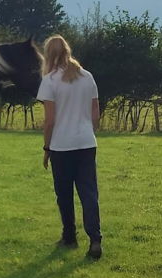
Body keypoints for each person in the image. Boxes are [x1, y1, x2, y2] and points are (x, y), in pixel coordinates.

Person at [36, 35, 102, 259]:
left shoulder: (50, 81)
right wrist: (88, 132)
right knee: (89, 194)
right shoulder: (87, 77)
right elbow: (95, 114)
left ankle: (69, 236)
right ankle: (95, 239)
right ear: (67, 51)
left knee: (64, 194)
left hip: (62, 147)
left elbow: (50, 121)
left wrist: (46, 148)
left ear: (48, 55)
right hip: (86, 143)